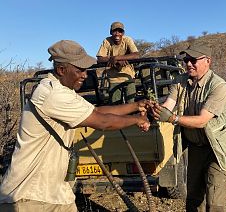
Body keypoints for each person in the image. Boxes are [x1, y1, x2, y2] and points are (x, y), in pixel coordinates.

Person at [0, 40, 151, 212]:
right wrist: (137, 120)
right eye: (80, 70)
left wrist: (136, 106)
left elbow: (97, 111)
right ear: (61, 70)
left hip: (55, 193)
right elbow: (102, 122)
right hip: (30, 197)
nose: (85, 75)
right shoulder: (53, 94)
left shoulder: (63, 91)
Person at [152, 42, 226, 212]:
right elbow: (168, 105)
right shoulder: (181, 81)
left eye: (193, 60)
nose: (188, 64)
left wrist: (173, 118)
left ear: (208, 61)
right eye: (186, 60)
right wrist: (153, 114)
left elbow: (202, 120)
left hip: (216, 150)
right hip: (195, 148)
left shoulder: (218, 86)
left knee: (215, 202)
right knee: (193, 198)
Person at [96, 21, 139, 104]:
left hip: (128, 76)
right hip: (113, 78)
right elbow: (100, 58)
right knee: (116, 105)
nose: (117, 34)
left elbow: (136, 55)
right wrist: (115, 61)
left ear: (123, 33)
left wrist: (116, 58)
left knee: (131, 103)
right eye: (114, 31)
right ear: (111, 32)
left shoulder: (127, 39)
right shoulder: (106, 41)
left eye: (120, 31)